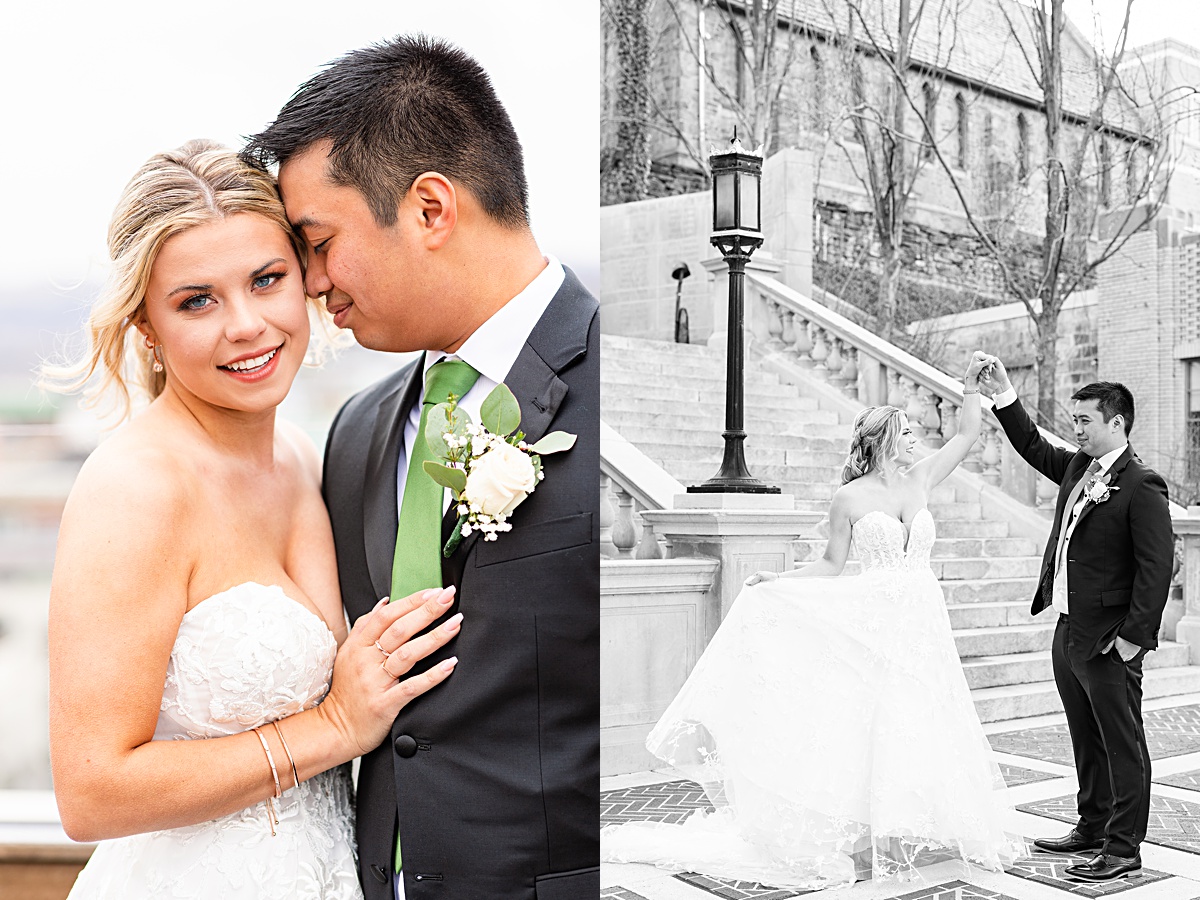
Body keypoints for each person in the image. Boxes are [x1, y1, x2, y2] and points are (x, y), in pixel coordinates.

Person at [43, 140, 463, 900]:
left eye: (266, 280)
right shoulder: (136, 487)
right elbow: (91, 789)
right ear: (145, 324)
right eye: (196, 300)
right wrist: (334, 727)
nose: (246, 325)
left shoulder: (306, 458)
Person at [242, 35, 599, 900]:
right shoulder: (358, 431)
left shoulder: (605, 383)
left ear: (430, 209)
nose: (312, 282)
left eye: (319, 242)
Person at [601, 351, 1024, 890]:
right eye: (906, 428)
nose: (916, 435)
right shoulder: (848, 497)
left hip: (921, 623)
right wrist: (777, 582)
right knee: (877, 720)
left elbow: (967, 434)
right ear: (882, 440)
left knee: (921, 715)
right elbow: (830, 563)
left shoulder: (923, 477)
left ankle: (905, 827)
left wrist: (971, 387)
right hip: (873, 620)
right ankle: (874, 835)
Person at [979, 361, 1173, 882]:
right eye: (1075, 420)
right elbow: (1034, 446)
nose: (1077, 429)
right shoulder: (1078, 469)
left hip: (1111, 638)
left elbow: (1156, 569)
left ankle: (1122, 847)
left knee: (1122, 741)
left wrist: (1134, 639)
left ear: (1117, 423)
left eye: (1085, 421)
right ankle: (1090, 826)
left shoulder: (1141, 484)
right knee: (1085, 736)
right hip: (1068, 626)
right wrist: (1004, 396)